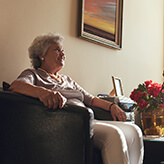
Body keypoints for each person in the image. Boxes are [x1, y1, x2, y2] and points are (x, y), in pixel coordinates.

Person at [9, 32, 143, 164]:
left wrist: (112, 106)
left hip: (87, 120)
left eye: (63, 50)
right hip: (66, 124)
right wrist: (43, 92)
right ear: (42, 55)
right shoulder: (34, 74)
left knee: (134, 130)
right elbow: (16, 86)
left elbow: (90, 99)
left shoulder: (67, 80)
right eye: (57, 50)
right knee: (114, 135)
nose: (63, 54)